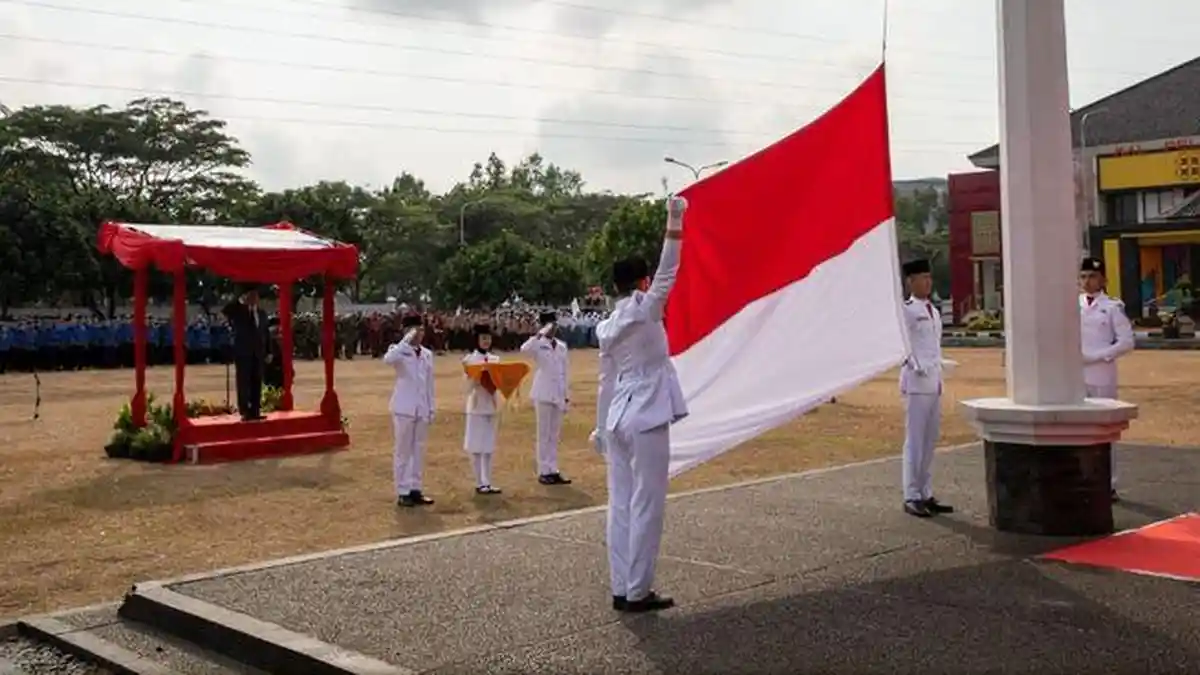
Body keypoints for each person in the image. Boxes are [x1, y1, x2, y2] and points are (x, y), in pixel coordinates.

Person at [591, 195, 689, 614]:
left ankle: (621, 586)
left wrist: (599, 426)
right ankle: (638, 590)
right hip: (647, 415)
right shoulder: (647, 310)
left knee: (621, 504)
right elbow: (671, 267)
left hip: (617, 418)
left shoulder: (606, 326)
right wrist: (674, 221)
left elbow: (605, 380)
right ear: (643, 284)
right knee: (647, 503)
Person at [899, 259, 953, 519]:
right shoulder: (907, 310)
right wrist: (916, 364)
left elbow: (934, 347)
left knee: (930, 441)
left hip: (934, 382)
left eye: (930, 277)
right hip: (916, 383)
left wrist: (941, 364)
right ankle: (911, 495)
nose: (928, 282)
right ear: (911, 282)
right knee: (915, 442)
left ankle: (925, 492)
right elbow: (902, 346)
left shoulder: (934, 310)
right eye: (923, 278)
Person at [1079, 256, 1135, 502]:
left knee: (1104, 430)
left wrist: (1099, 356)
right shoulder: (1073, 304)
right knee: (1078, 428)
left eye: (1092, 276)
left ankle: (1108, 483)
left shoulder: (1112, 307)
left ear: (1103, 279)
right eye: (1083, 276)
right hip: (1076, 374)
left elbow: (1126, 342)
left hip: (1101, 372)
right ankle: (1082, 479)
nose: (1087, 281)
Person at [386, 314, 436, 507]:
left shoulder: (427, 354)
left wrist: (431, 408)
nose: (419, 334)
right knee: (403, 451)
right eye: (415, 329)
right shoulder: (398, 351)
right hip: (404, 408)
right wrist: (405, 341)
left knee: (418, 450)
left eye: (421, 330)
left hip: (421, 407)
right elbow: (388, 359)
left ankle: (415, 488)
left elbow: (429, 384)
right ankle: (402, 490)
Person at [521, 311, 572, 485]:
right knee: (543, 434)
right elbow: (524, 350)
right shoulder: (538, 344)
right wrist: (539, 334)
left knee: (554, 434)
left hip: (557, 392)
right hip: (543, 393)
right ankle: (544, 470)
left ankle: (553, 468)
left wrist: (566, 395)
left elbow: (565, 372)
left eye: (554, 324)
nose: (553, 328)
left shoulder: (562, 346)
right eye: (550, 324)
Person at [462, 323, 503, 495]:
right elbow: (467, 387)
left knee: (488, 445)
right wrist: (478, 377)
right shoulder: (469, 360)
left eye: (488, 338)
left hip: (491, 404)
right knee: (476, 445)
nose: (486, 341)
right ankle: (479, 481)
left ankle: (488, 480)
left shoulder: (496, 359)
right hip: (477, 403)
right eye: (482, 338)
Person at [222, 285, 270, 421]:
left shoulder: (262, 313)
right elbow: (226, 310)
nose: (254, 299)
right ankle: (245, 410)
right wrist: (239, 298)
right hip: (243, 352)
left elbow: (266, 334)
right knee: (243, 382)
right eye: (251, 296)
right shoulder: (239, 311)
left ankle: (255, 410)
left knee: (257, 381)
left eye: (256, 296)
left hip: (258, 353)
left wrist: (269, 351)